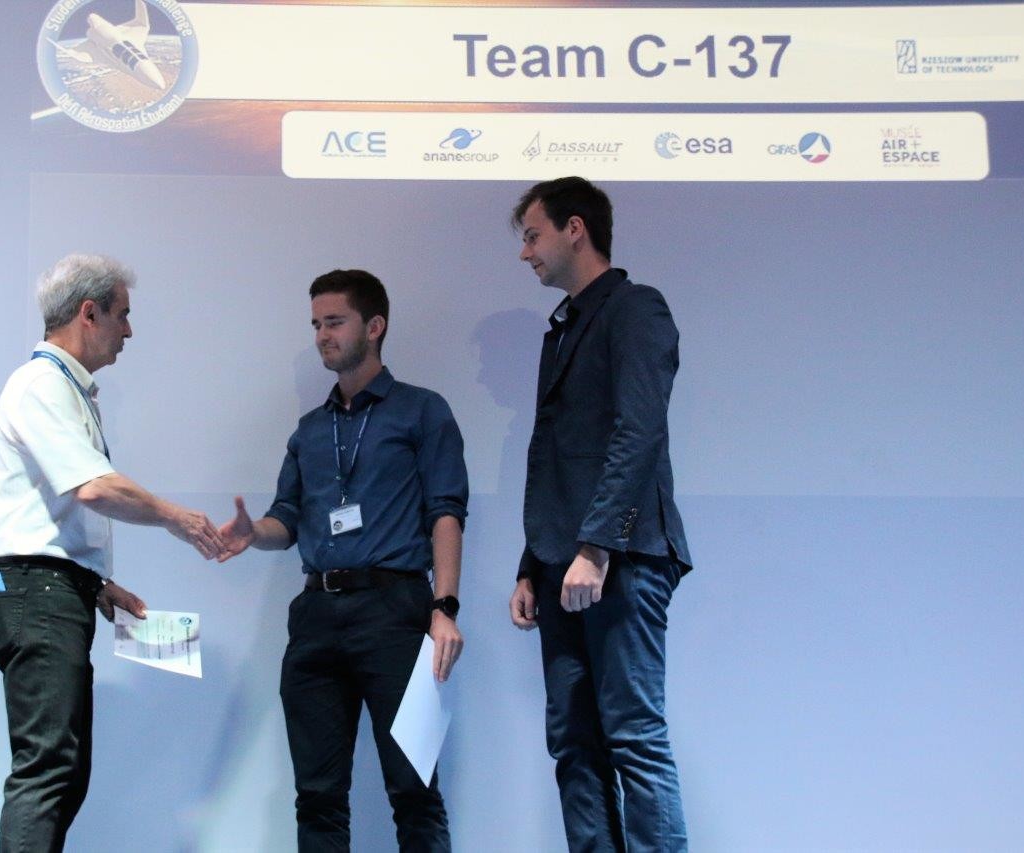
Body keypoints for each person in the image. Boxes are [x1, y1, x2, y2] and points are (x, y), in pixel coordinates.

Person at [0, 253, 229, 852]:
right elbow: (91, 486)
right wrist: (175, 517)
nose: (129, 331)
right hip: (36, 594)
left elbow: (51, 510)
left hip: (49, 589)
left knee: (63, 771)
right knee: (48, 768)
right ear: (89, 313)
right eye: (123, 314)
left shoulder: (64, 390)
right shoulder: (41, 384)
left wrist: (95, 584)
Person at [219, 269, 467, 852]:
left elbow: (446, 512)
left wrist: (445, 608)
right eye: (315, 324)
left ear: (374, 326)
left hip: (395, 612)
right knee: (318, 797)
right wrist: (254, 533)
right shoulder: (310, 430)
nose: (322, 336)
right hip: (317, 617)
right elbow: (286, 520)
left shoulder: (422, 412)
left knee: (414, 789)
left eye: (334, 322)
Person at [507, 177, 694, 853]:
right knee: (573, 744)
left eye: (533, 235)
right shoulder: (562, 331)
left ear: (575, 229)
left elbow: (638, 432)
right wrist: (532, 564)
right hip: (564, 563)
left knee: (633, 737)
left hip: (622, 556)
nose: (525, 252)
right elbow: (558, 459)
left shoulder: (636, 308)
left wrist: (596, 546)